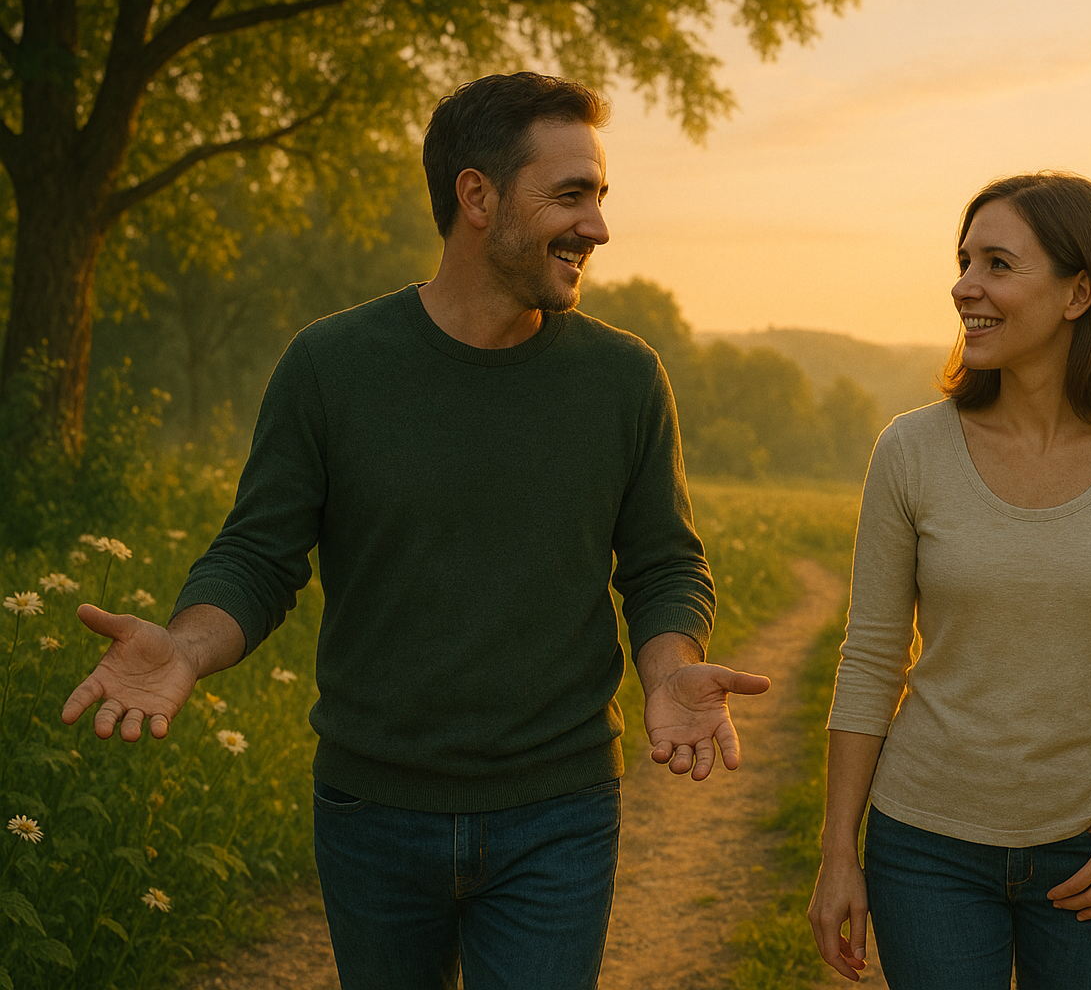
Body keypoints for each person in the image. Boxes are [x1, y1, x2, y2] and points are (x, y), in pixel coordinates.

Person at [61, 72, 771, 990]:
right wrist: (187, 650)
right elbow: (259, 556)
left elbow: (666, 563)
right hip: (371, 811)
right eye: (569, 196)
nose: (597, 226)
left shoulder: (625, 379)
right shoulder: (332, 365)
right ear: (475, 196)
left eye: (599, 197)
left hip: (559, 807)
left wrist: (670, 670)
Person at [808, 173, 1091, 989]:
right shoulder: (910, 451)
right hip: (925, 846)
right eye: (964, 260)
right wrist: (838, 854)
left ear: (1080, 293)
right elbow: (869, 660)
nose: (964, 286)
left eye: (998, 264)